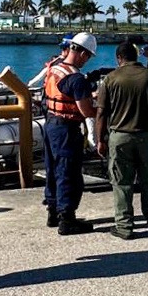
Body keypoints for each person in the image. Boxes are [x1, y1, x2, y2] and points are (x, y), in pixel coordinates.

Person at [96, 42, 148, 239]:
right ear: (136, 56)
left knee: (121, 183)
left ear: (119, 58)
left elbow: (102, 113)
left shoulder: (110, 79)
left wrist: (100, 140)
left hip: (120, 137)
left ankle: (124, 226)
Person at [43, 31, 98, 235]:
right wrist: (101, 108)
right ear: (83, 54)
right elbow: (86, 111)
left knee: (52, 168)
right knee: (69, 172)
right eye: (89, 56)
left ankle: (52, 211)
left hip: (51, 123)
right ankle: (67, 218)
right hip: (67, 128)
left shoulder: (55, 69)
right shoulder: (77, 79)